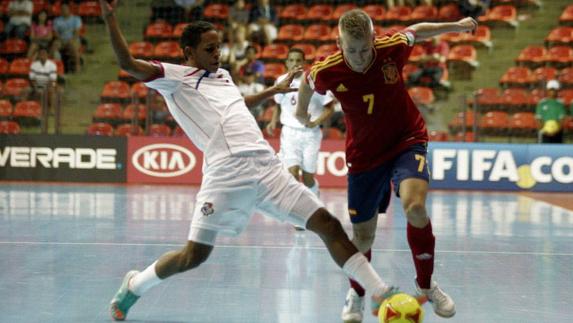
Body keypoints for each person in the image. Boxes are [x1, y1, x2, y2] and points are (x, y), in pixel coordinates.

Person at [99, 1, 400, 321]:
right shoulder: (174, 78)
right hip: (225, 174)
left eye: (218, 47)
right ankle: (135, 284)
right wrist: (109, 17)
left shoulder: (224, 76)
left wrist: (273, 90)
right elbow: (128, 63)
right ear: (188, 53)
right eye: (209, 49)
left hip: (267, 168)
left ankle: (381, 292)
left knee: (328, 224)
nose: (217, 53)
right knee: (194, 256)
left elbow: (238, 104)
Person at [295, 9, 477, 322]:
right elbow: (306, 82)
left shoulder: (390, 48)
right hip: (364, 155)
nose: (359, 57)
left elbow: (416, 30)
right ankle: (358, 292)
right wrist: (300, 114)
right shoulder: (328, 68)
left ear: (373, 39)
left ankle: (427, 285)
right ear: (340, 44)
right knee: (363, 237)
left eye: (365, 49)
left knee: (415, 208)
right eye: (351, 50)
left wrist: (457, 27)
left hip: (406, 139)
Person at [267, 48, 334, 198]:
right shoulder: (281, 81)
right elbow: (278, 104)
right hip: (289, 133)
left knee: (308, 178)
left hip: (311, 134)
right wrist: (273, 121)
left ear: (304, 62)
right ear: (286, 63)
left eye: (298, 60)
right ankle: (301, 212)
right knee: (292, 173)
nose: (295, 63)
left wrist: (315, 122)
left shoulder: (314, 81)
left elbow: (330, 108)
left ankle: (314, 194)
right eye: (291, 60)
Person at [53, 3, 83, 73]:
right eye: (62, 9)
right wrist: (61, 40)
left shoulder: (76, 19)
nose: (64, 10)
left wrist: (71, 40)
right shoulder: (57, 20)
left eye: (65, 9)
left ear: (69, 9)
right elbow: (55, 33)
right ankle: (57, 67)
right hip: (61, 40)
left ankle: (77, 66)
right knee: (54, 46)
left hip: (73, 39)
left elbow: (77, 32)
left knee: (73, 45)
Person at [29, 47, 58, 113]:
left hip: (48, 84)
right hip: (37, 84)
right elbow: (32, 79)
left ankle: (51, 109)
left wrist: (46, 87)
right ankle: (25, 110)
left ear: (47, 55)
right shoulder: (34, 65)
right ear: (38, 55)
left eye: (44, 54)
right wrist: (36, 87)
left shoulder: (52, 65)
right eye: (40, 54)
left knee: (51, 89)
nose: (42, 55)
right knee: (25, 90)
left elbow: (53, 80)